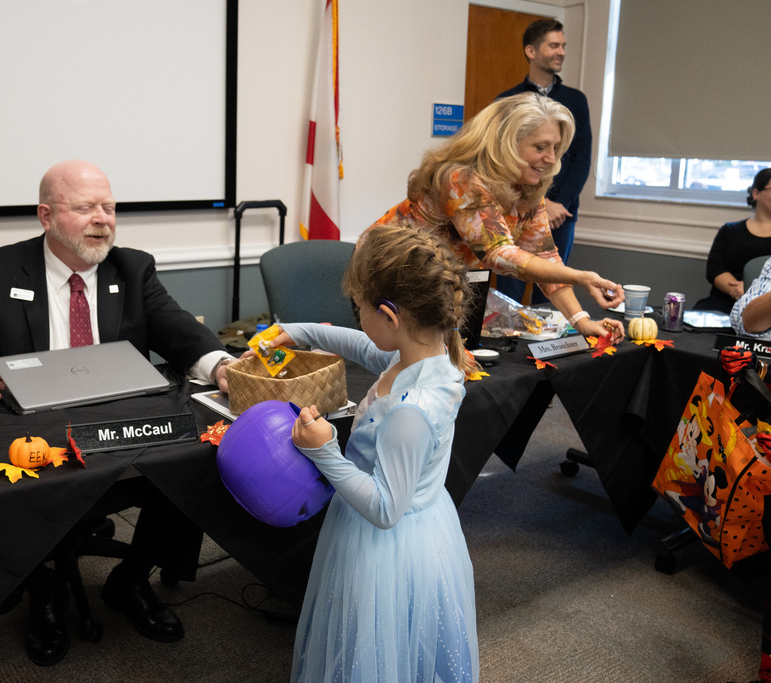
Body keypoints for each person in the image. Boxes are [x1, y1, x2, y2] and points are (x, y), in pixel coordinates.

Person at [0, 160, 235, 666]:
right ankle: (43, 591)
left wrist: (221, 365)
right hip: (33, 430)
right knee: (0, 476)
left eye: (109, 207)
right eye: (86, 207)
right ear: (46, 216)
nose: (103, 219)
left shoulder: (133, 268)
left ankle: (131, 578)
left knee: (195, 453)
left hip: (120, 425)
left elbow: (179, 330)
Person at [260, 225, 479, 681]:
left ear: (390, 316)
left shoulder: (411, 410)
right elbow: (362, 345)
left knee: (377, 641)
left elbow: (384, 508)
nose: (357, 319)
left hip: (386, 541)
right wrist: (296, 331)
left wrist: (325, 451)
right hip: (417, 524)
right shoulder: (422, 358)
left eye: (358, 309)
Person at [363, 92, 625, 342]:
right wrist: (578, 276)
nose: (551, 158)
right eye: (540, 147)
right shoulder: (461, 179)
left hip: (432, 291)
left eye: (555, 147)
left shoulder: (528, 187)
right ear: (507, 145)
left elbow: (545, 256)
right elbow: (497, 253)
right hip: (386, 281)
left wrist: (581, 320)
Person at [494, 18, 592, 306]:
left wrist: (558, 203)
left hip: (562, 213)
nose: (561, 51)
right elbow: (501, 158)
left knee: (550, 287)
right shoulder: (508, 100)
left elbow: (581, 158)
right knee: (509, 283)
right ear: (531, 51)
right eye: (554, 45)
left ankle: (544, 347)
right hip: (514, 207)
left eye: (563, 45)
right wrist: (540, 202)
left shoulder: (576, 100)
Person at [696, 168, 771, 313]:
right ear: (756, 194)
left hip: (765, 308)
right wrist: (738, 290)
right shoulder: (730, 230)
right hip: (725, 300)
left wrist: (750, 291)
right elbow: (714, 269)